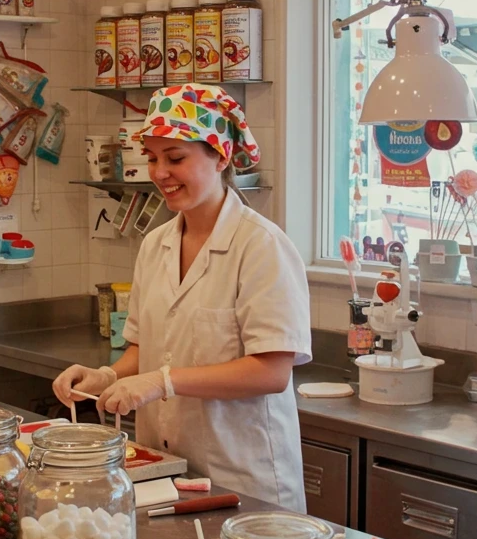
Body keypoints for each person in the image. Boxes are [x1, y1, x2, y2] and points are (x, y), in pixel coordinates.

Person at [52, 85, 311, 511]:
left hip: (242, 480)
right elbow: (146, 349)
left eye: (175, 158)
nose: (159, 172)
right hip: (164, 469)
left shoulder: (261, 246)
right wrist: (107, 377)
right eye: (152, 158)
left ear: (221, 156)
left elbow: (271, 372)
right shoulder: (156, 244)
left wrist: (164, 382)